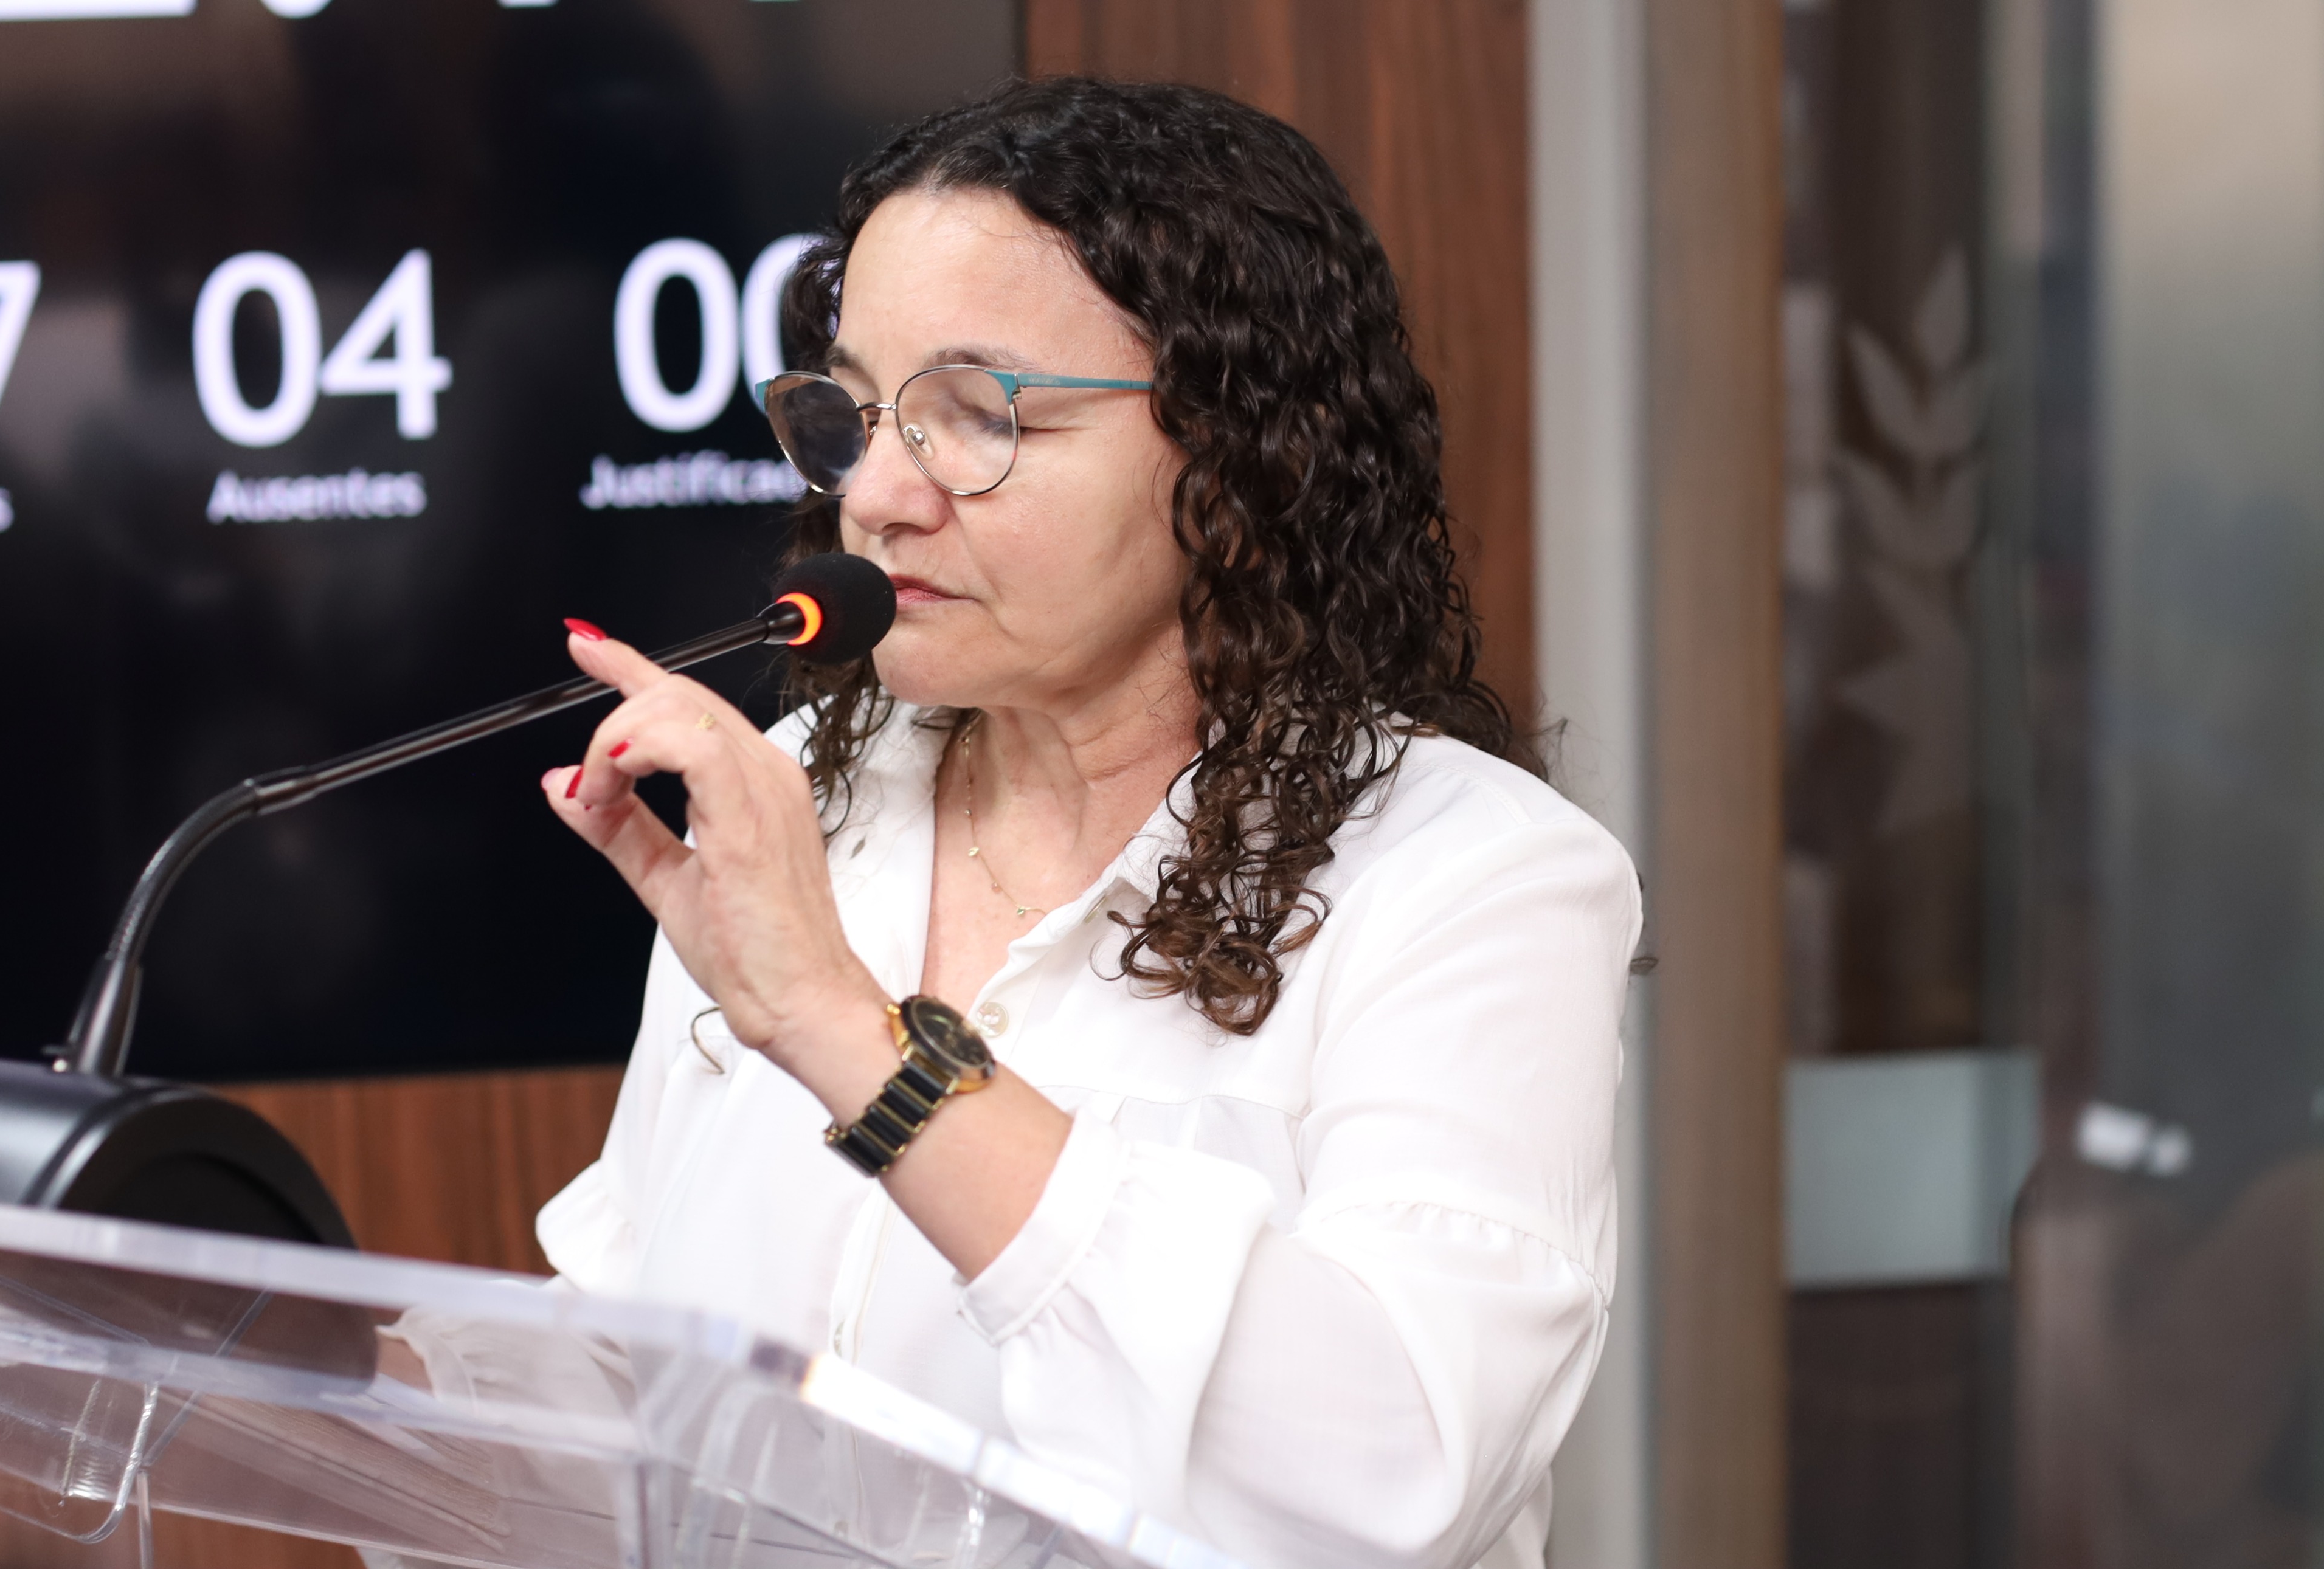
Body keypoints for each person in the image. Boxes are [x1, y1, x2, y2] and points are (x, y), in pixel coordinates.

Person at [532, 77, 1638, 1569]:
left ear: (1235, 455)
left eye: (976, 415)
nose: (879, 496)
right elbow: (626, 1365)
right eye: (856, 413)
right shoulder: (806, 792)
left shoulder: (1480, 880)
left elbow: (1394, 1478)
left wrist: (850, 1034)